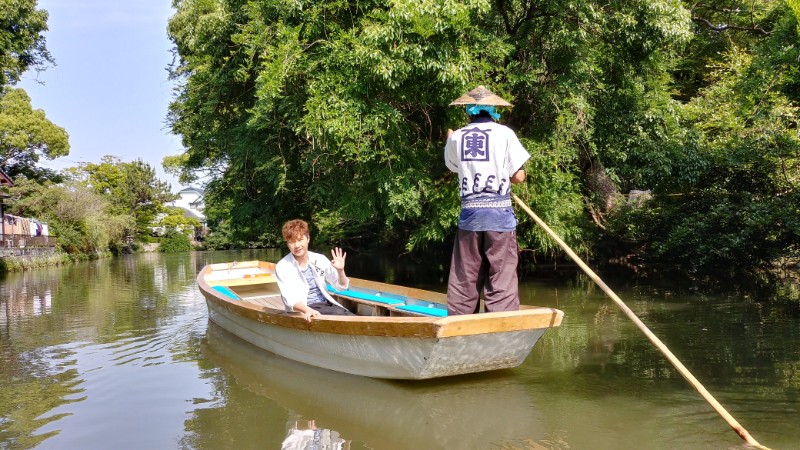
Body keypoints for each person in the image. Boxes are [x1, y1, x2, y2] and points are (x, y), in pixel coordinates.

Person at [444, 85, 530, 315]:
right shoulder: (505, 134)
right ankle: (500, 320)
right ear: (492, 111)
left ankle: (460, 323)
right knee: (501, 273)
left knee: (466, 274)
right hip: (499, 216)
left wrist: (449, 140)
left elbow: (453, 166)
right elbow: (519, 176)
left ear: (469, 112)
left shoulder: (457, 137)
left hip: (470, 216)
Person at [275, 219, 355, 321]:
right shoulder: (283, 266)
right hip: (304, 309)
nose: (297, 246)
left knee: (351, 317)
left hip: (326, 305)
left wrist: (340, 271)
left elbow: (341, 287)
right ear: (287, 244)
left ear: (308, 239)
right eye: (292, 242)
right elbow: (289, 300)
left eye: (300, 240)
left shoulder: (319, 259)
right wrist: (307, 310)